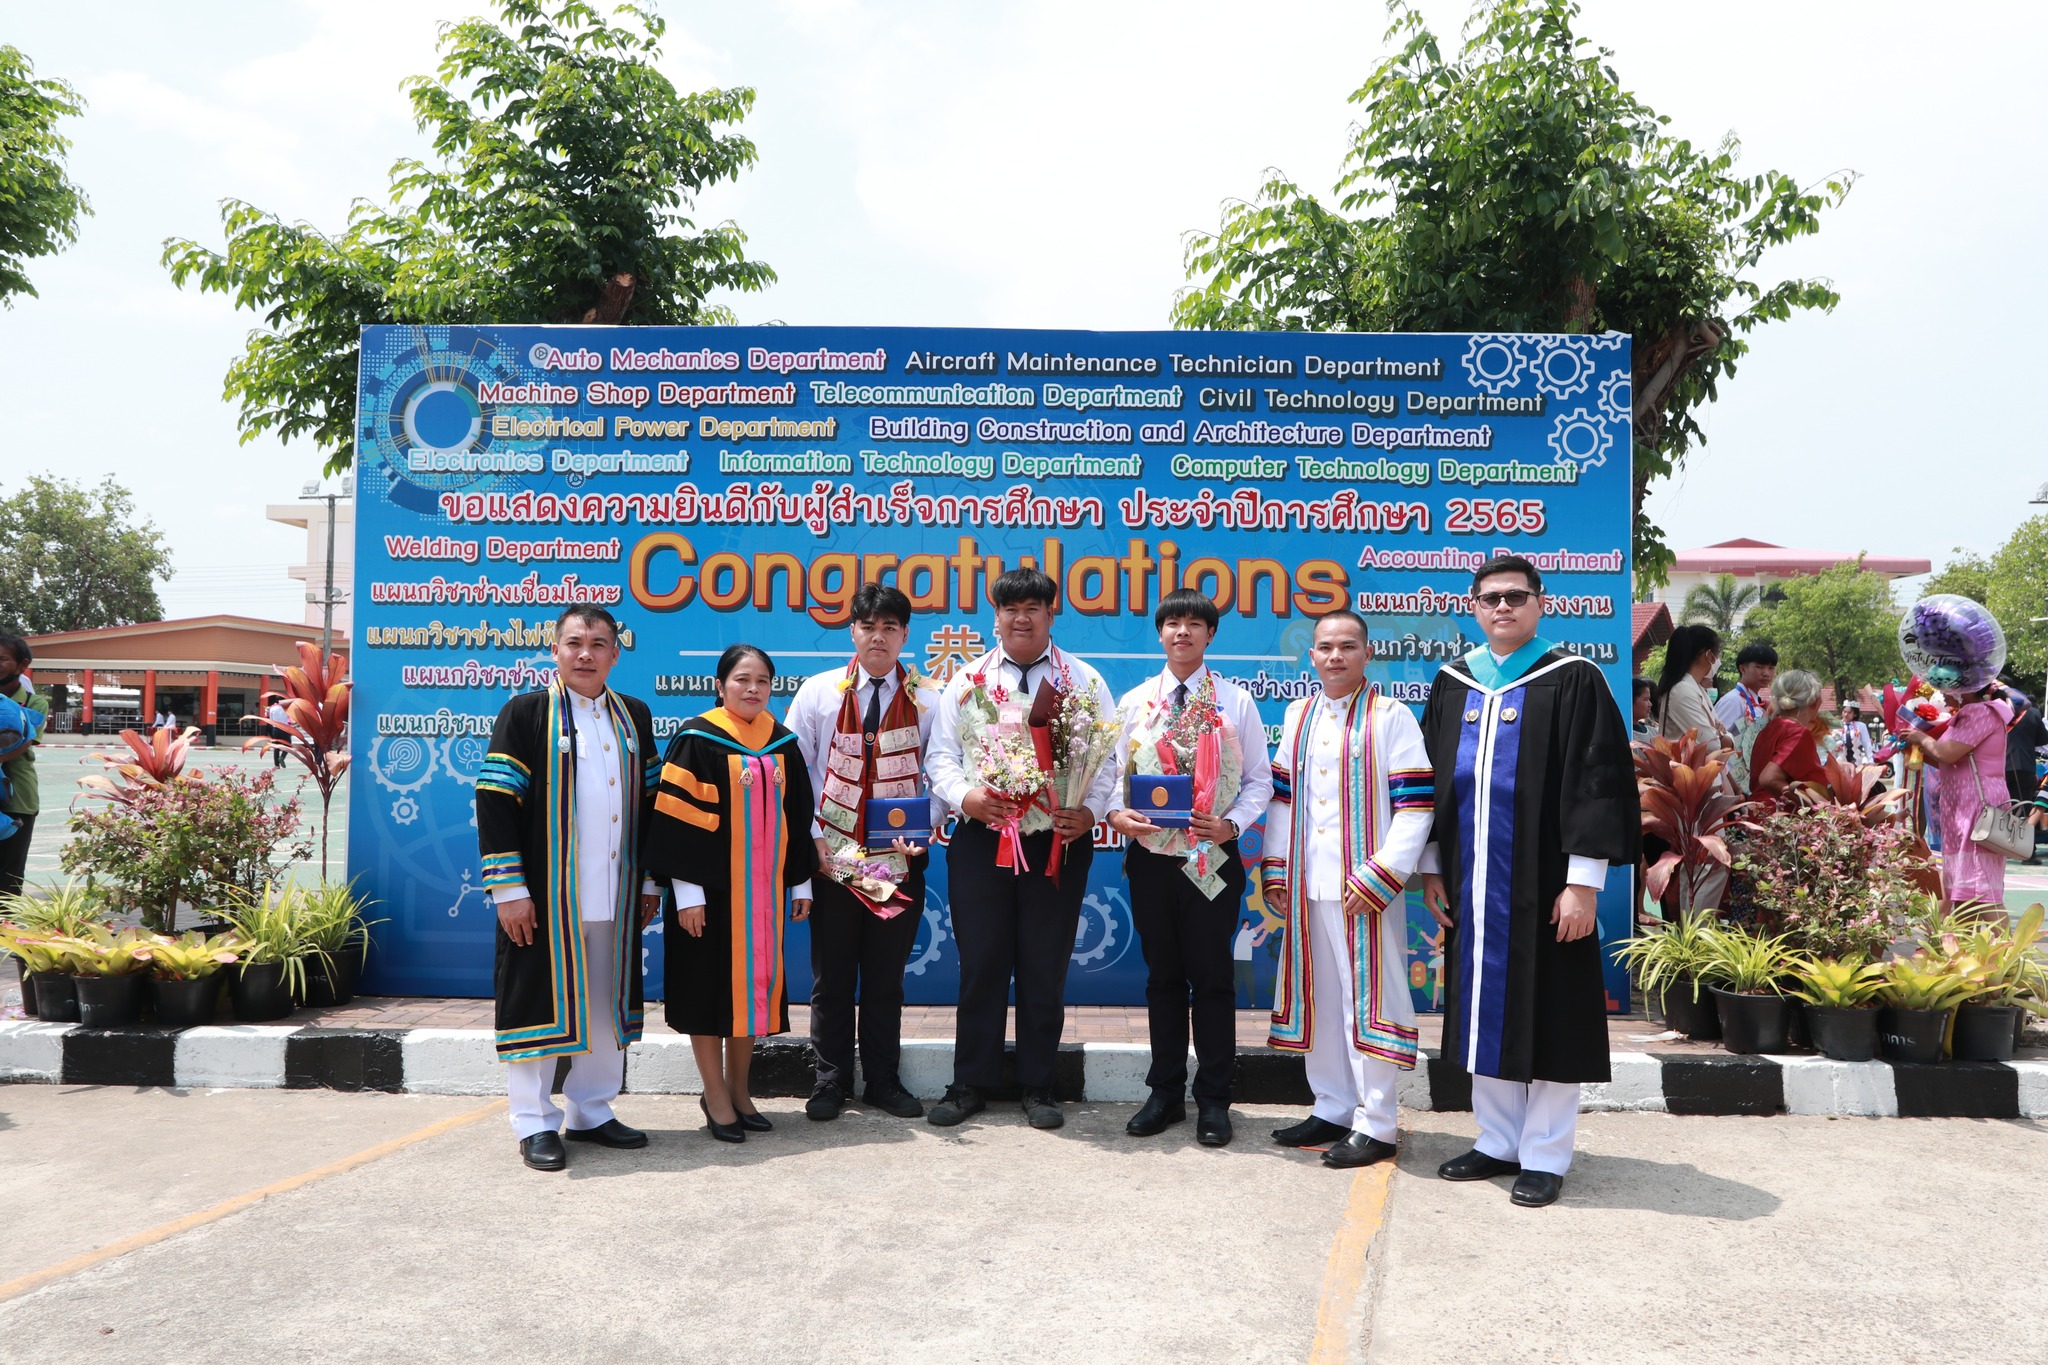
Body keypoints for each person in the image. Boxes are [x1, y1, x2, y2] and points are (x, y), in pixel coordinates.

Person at [1418, 555, 1640, 1208]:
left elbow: (1597, 783)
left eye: (1516, 596)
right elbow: (1427, 783)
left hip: (1547, 883)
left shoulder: (1573, 678)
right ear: (1474, 606)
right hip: (1471, 882)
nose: (1503, 607)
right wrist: (1431, 866)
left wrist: (1584, 883)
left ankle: (1544, 1153)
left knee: (1553, 1012)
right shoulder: (1453, 681)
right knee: (1481, 1012)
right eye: (1490, 598)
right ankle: (1496, 1140)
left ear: (1541, 603)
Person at [923, 567, 1118, 1131]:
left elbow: (1108, 758)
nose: (1021, 618)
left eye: (1033, 608)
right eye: (1010, 609)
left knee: (1044, 964)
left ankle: (1039, 1085)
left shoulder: (1083, 681)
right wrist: (966, 797)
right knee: (981, 963)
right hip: (982, 840)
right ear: (996, 617)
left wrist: (1089, 810)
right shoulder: (967, 680)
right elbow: (942, 756)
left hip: (1056, 842)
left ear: (1052, 615)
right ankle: (969, 1083)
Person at [476, 605, 660, 1172]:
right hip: (546, 895)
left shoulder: (634, 716)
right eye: (575, 642)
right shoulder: (526, 713)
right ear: (554, 650)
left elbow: (652, 803)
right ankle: (533, 1122)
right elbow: (495, 801)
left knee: (604, 1003)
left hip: (616, 891)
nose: (586, 654)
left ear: (615, 655)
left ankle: (592, 1110)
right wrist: (509, 889)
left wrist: (650, 880)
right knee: (536, 999)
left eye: (599, 644)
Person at [1258, 611, 1434, 1170]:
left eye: (1348, 646)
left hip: (1365, 889)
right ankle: (1332, 1107)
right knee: (1322, 1000)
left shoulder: (1392, 716)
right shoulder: (1298, 715)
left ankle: (1377, 1123)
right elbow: (1282, 800)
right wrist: (1277, 869)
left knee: (1368, 1003)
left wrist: (1383, 874)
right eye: (1326, 647)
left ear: (1367, 654)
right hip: (1308, 884)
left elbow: (1415, 806)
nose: (1336, 656)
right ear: (1311, 655)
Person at [1105, 588, 1274, 1147]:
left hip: (1212, 859)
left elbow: (1259, 781)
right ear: (1160, 633)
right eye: (1172, 623)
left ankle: (1215, 1099)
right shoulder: (1136, 702)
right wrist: (1117, 815)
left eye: (1194, 624)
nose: (1183, 632)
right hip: (1152, 859)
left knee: (1213, 979)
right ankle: (1165, 1093)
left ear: (1210, 634)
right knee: (1163, 978)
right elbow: (1109, 776)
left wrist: (1231, 826)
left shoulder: (1235, 702)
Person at [646, 644, 818, 1143]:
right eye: (742, 679)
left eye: (763, 680)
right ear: (720, 686)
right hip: (709, 897)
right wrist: (687, 894)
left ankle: (740, 1092)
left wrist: (800, 881)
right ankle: (715, 1094)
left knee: (752, 994)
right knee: (706, 992)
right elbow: (678, 823)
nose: (753, 689)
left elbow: (797, 817)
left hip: (761, 898)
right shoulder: (697, 739)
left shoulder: (781, 742)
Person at [786, 584, 940, 1122]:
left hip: (896, 860)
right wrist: (815, 838)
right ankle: (829, 1081)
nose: (879, 637)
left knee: (884, 978)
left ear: (904, 634)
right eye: (868, 626)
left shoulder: (929, 697)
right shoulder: (818, 692)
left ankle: (882, 1080)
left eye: (889, 627)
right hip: (833, 861)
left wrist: (925, 827)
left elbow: (940, 771)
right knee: (831, 978)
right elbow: (795, 773)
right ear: (852, 631)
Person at [1898, 681, 2012, 910]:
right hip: (1965, 805)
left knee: (1981, 889)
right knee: (1965, 890)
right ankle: (1962, 934)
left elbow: (1947, 754)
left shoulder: (1978, 713)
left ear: (1964, 691)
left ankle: (2002, 936)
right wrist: (1914, 749)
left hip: (1976, 806)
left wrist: (1921, 738)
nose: (1942, 693)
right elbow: (1950, 761)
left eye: (1947, 687)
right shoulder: (1975, 712)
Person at [0, 636, 48, 901]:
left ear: (22, 665)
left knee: (10, 871)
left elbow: (24, 742)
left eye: (3, 659)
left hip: (18, 796)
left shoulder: (34, 703)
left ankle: (6, 925)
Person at [1747, 670, 1828, 806]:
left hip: (1758, 810)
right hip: (1779, 815)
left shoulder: (1771, 728)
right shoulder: (1797, 732)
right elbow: (1769, 778)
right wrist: (1810, 805)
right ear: (1814, 701)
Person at [1653, 625, 1729, 749]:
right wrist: (1721, 735)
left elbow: (1719, 735)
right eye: (1718, 653)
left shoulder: (1696, 688)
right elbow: (1711, 745)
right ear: (1709, 655)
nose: (1718, 659)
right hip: (1684, 762)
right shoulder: (1682, 691)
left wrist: (1719, 735)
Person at [1712, 643, 1777, 734]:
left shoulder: (1758, 701)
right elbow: (1714, 737)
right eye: (1759, 667)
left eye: (1771, 668)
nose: (1766, 673)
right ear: (1743, 669)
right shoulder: (1734, 701)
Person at [2004, 693, 2046, 813]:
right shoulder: (2033, 713)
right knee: (2022, 807)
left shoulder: (1997, 711)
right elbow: (2043, 739)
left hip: (2000, 766)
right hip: (2026, 765)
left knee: (2001, 807)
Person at [1839, 699, 1876, 768]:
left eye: (1849, 713)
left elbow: (1866, 743)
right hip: (1840, 758)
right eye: (1844, 711)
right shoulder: (1836, 725)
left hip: (1855, 758)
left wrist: (1870, 760)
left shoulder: (1861, 726)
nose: (1846, 714)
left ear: (1855, 714)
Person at [264, 694, 292, 768]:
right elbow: (290, 718)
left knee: (276, 746)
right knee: (288, 745)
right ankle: (282, 757)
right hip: (285, 728)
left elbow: (270, 718)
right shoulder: (286, 708)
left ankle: (276, 764)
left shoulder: (272, 708)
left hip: (275, 728)